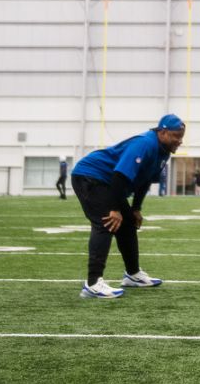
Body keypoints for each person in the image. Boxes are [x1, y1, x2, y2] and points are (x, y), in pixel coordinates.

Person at [70, 114, 183, 299]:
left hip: (109, 182)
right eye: (176, 136)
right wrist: (114, 209)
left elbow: (144, 182)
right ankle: (92, 283)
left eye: (181, 136)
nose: (179, 141)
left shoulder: (163, 151)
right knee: (107, 222)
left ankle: (133, 274)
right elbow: (120, 176)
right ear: (162, 132)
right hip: (90, 176)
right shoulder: (145, 144)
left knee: (128, 222)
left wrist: (136, 209)